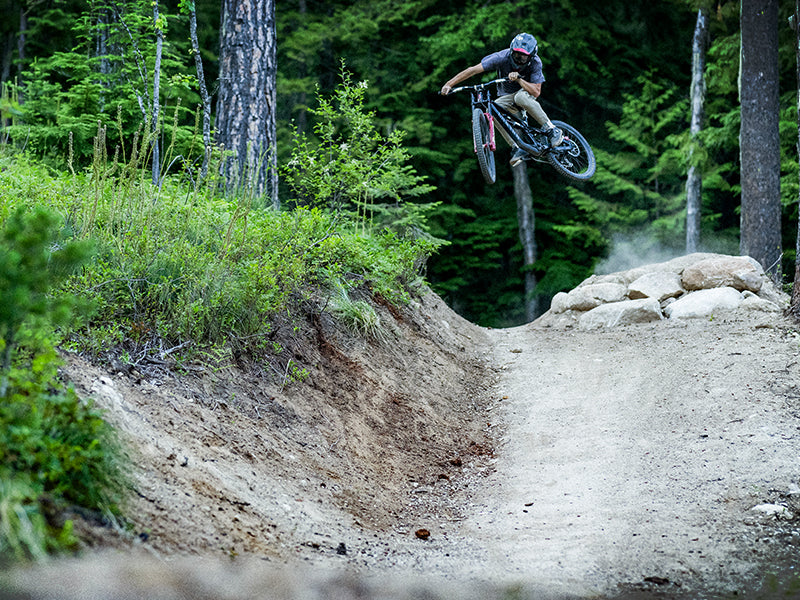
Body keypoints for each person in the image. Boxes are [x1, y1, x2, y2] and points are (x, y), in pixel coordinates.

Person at [440, 32, 563, 167]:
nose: (518, 60)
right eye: (516, 55)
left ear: (531, 57)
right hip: (507, 97)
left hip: (526, 92)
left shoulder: (535, 63)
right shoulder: (501, 57)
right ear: (511, 51)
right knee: (491, 110)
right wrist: (449, 84)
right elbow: (473, 70)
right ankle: (517, 147)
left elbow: (536, 91)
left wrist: (519, 79)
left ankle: (552, 129)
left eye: (523, 58)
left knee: (520, 96)